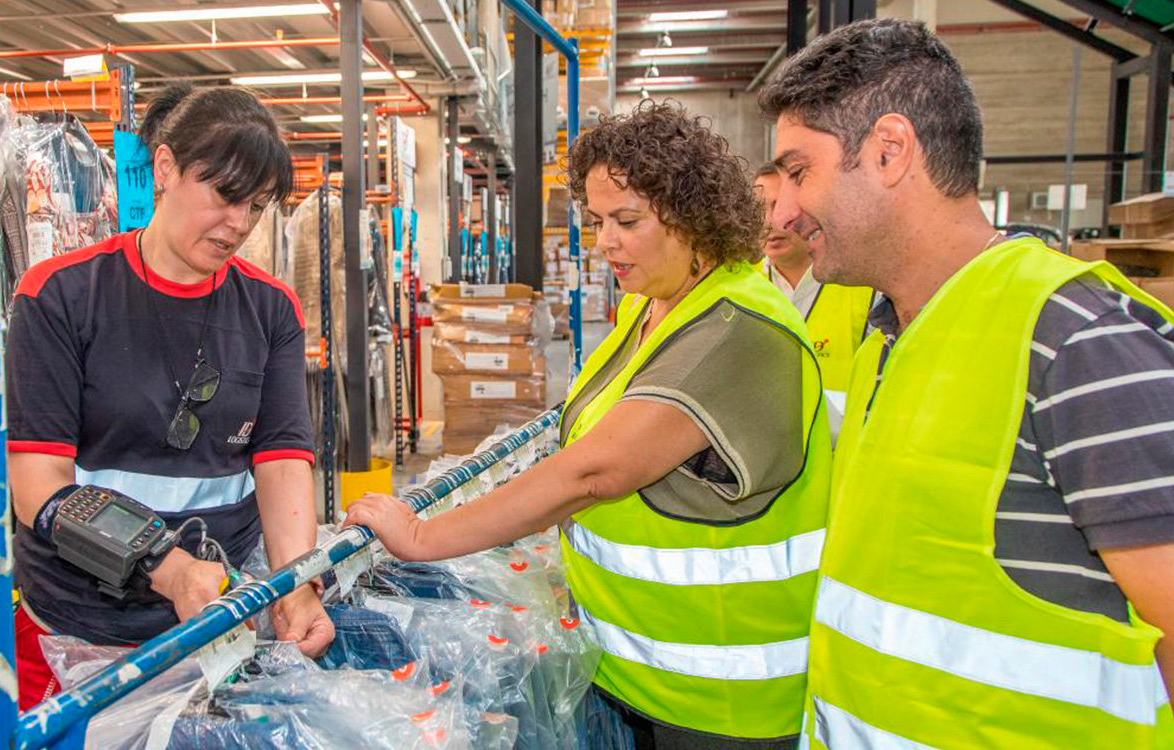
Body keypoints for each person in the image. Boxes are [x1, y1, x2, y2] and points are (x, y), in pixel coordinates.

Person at [345, 102, 832, 749]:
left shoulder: (735, 328)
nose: (604, 242)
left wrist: (423, 536)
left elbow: (595, 469)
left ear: (695, 215)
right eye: (598, 220)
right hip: (634, 676)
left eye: (627, 221)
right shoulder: (657, 305)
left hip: (718, 698)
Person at [759, 18, 1174, 749]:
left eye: (799, 172)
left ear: (889, 151)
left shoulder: (1074, 339)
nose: (783, 210)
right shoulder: (887, 335)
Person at [4, 84, 333, 710]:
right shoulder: (60, 296)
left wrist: (296, 584)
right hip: (78, 627)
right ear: (164, 169)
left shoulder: (271, 309)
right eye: (225, 196)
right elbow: (38, 488)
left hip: (218, 619)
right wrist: (168, 566)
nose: (238, 224)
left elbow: (282, 459)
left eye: (257, 207)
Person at [753, 162, 874, 399]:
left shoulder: (862, 284)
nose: (770, 221)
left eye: (779, 205)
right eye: (759, 209)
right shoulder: (738, 286)